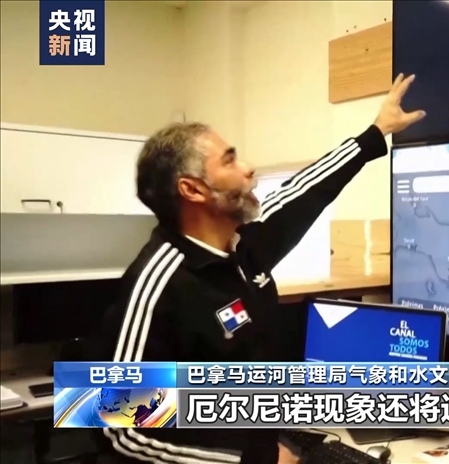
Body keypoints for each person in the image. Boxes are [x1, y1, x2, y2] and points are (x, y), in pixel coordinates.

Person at [96, 74, 425, 464]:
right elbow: (120, 429)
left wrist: (375, 132)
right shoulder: (158, 283)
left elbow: (302, 192)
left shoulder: (245, 245)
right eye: (230, 160)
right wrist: (256, 460)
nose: (249, 168)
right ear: (193, 190)